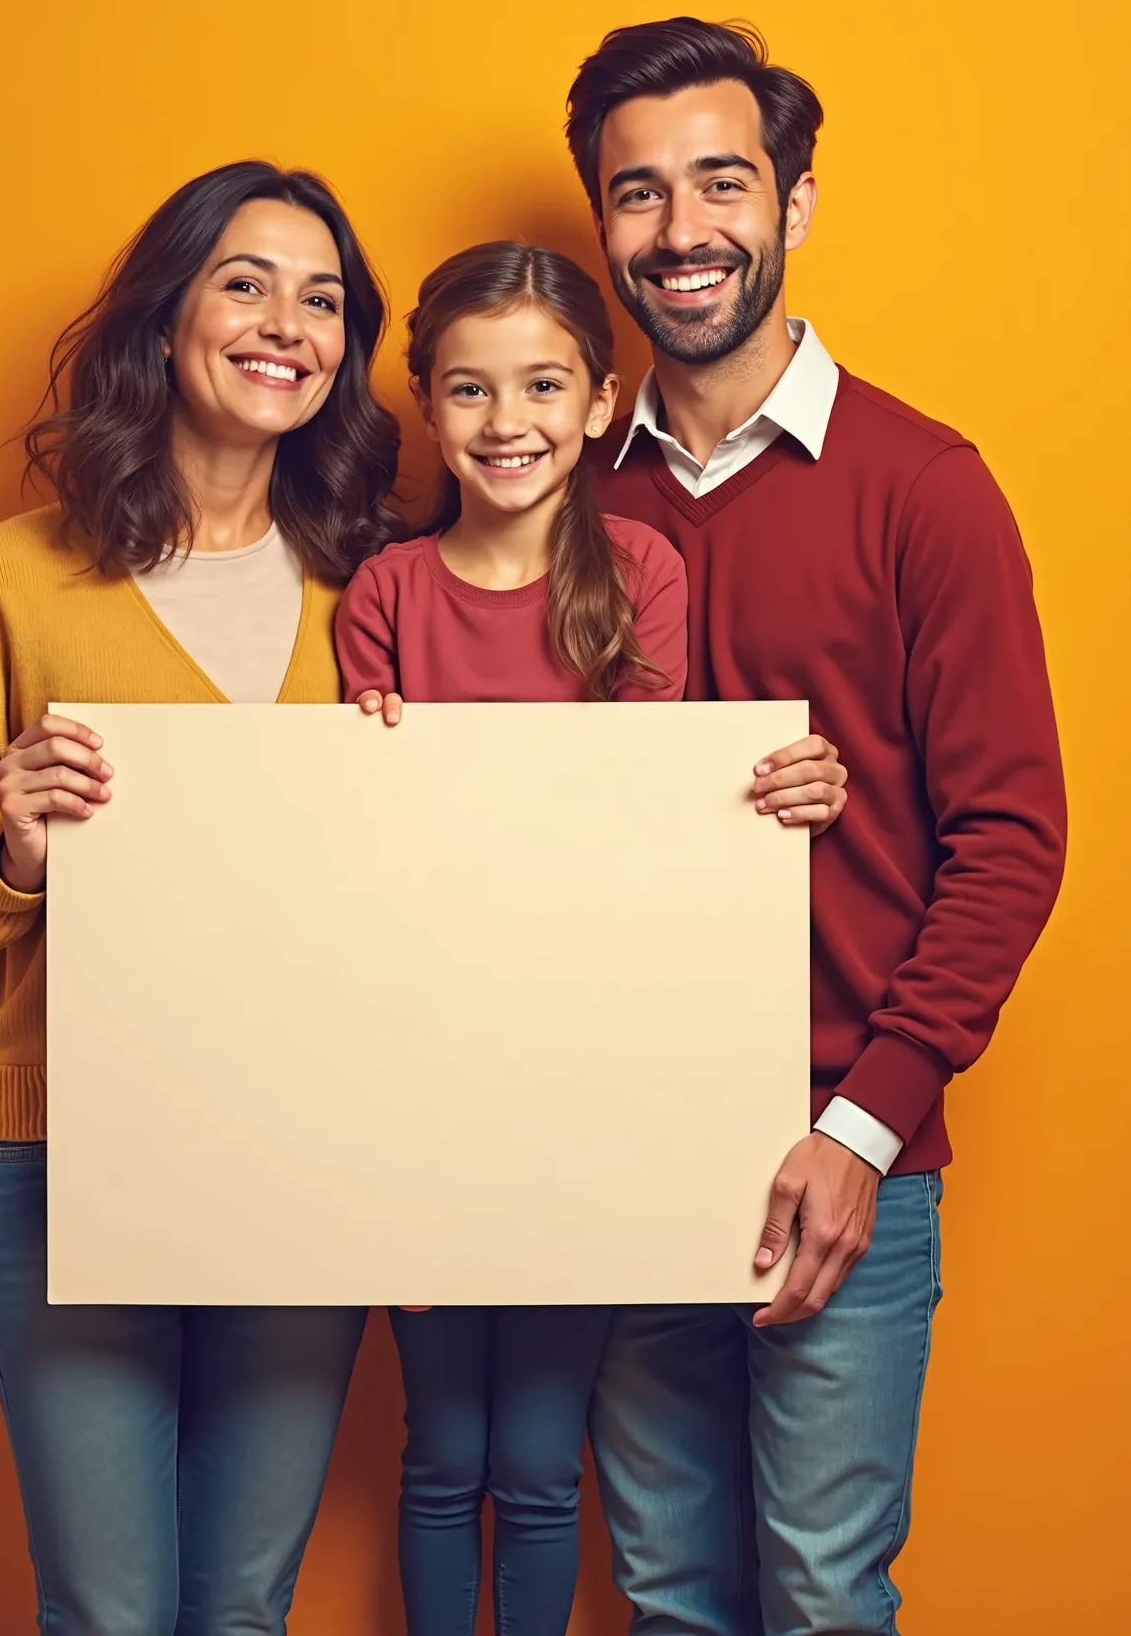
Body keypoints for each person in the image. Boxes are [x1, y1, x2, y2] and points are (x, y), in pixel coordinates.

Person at [0, 160, 401, 1636]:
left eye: (324, 299)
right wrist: (7, 848)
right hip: (67, 1157)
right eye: (245, 280)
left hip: (301, 1160)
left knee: (242, 1608)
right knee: (107, 1613)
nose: (287, 323)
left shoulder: (384, 591)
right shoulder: (17, 580)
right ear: (166, 321)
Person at [563, 16, 1067, 1635]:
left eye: (723, 182)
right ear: (601, 227)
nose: (682, 230)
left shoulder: (925, 486)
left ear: (795, 203)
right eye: (637, 195)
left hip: (843, 1139)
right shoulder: (555, 497)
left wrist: (864, 1127)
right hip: (619, 1137)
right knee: (665, 1596)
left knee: (828, 1595)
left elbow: (1009, 835)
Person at [333, 241, 849, 1636]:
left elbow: (640, 830)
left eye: (544, 385)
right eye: (470, 392)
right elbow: (366, 868)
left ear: (598, 394)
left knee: (540, 1466)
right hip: (421, 1093)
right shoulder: (383, 593)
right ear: (427, 407)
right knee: (443, 1458)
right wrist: (364, 758)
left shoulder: (640, 571)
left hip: (580, 1095)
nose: (508, 424)